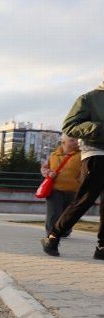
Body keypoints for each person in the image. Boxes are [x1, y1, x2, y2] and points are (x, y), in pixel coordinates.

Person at [41, 80, 104, 259]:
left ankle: (102, 248)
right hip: (96, 153)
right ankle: (53, 236)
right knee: (86, 198)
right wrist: (98, 128)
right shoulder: (89, 99)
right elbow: (69, 126)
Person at [41, 135, 81, 236]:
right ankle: (51, 234)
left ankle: (65, 232)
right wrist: (48, 173)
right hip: (55, 189)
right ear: (63, 142)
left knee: (68, 214)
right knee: (54, 213)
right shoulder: (53, 155)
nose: (75, 142)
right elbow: (44, 168)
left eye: (76, 140)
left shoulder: (81, 155)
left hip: (73, 190)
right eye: (72, 140)